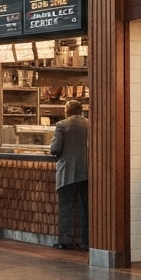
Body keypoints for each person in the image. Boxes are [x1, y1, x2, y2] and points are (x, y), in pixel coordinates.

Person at [49, 99, 90, 250]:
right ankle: (86, 241)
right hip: (86, 171)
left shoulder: (62, 125)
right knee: (85, 209)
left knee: (65, 207)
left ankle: (64, 241)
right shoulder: (89, 124)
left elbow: (55, 149)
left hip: (67, 172)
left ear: (68, 111)